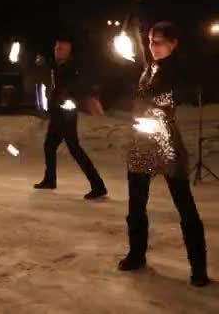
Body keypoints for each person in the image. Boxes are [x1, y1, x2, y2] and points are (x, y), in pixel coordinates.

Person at [118, 21, 210, 287]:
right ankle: (136, 254)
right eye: (150, 41)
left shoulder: (176, 69)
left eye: (159, 42)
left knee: (185, 205)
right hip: (141, 144)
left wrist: (142, 92)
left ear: (173, 44)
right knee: (135, 205)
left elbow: (163, 88)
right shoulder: (150, 67)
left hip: (166, 144)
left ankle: (198, 267)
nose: (153, 47)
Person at [34, 34, 108, 199]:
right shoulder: (57, 67)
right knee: (50, 145)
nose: (58, 50)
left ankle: (98, 185)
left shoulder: (71, 68)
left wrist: (67, 97)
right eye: (56, 47)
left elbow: (77, 87)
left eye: (62, 48)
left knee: (74, 149)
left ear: (69, 51)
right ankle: (50, 179)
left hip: (66, 114)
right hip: (58, 113)